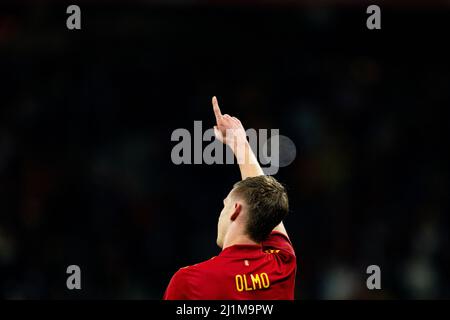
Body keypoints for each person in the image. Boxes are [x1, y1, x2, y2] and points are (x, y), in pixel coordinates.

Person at [163, 97, 296, 300]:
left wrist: (239, 141)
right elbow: (268, 205)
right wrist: (240, 144)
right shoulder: (282, 265)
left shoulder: (189, 281)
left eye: (224, 205)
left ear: (235, 209)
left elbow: (267, 204)